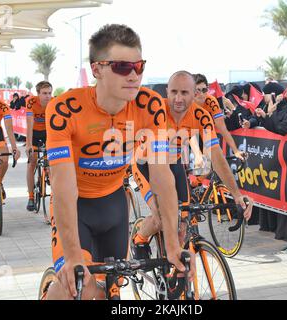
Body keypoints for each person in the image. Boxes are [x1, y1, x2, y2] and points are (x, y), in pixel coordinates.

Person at [44, 24, 195, 300]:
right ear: (97, 69)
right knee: (78, 287)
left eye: (139, 66)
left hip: (114, 205)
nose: (134, 75)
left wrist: (173, 245)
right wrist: (74, 256)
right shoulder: (64, 109)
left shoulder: (150, 105)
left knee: (111, 295)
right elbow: (63, 186)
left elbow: (162, 175)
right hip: (76, 207)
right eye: (123, 67)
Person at [132, 71, 253, 258]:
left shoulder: (201, 116)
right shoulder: (157, 111)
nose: (178, 99)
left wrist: (236, 195)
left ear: (193, 94)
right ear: (167, 91)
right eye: (174, 92)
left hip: (173, 163)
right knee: (163, 217)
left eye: (184, 93)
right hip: (146, 165)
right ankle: (139, 239)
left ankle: (175, 271)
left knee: (184, 220)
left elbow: (217, 157)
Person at [193, 74, 245, 161]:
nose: (201, 94)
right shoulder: (186, 101)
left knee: (217, 161)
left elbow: (223, 129)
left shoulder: (211, 101)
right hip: (180, 131)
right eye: (198, 90)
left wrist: (236, 151)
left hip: (201, 130)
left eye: (204, 90)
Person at [25, 81, 53, 211]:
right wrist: (29, 144)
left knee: (53, 162)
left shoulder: (54, 102)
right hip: (34, 133)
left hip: (48, 133)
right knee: (32, 162)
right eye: (44, 93)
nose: (48, 96)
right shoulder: (31, 102)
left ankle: (49, 175)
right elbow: (29, 124)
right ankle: (31, 197)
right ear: (38, 94)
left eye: (49, 93)